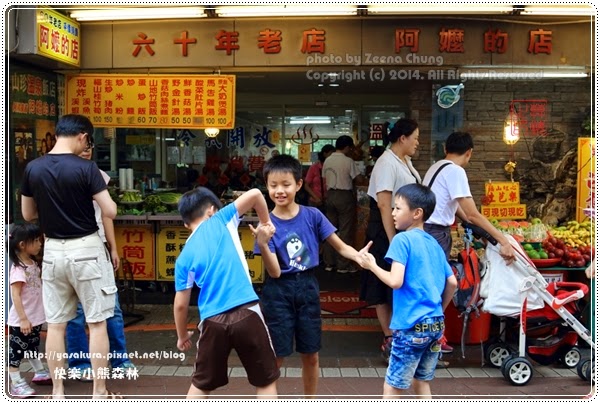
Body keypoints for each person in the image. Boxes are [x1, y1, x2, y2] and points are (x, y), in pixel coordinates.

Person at [252, 154, 372, 398]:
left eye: (286, 184)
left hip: (308, 287)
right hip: (278, 292)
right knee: (275, 357)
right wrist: (263, 244)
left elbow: (340, 246)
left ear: (298, 184)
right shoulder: (266, 225)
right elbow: (274, 272)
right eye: (273, 185)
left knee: (311, 355)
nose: (279, 191)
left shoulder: (313, 215)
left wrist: (357, 256)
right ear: (266, 186)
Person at [20, 114, 120, 399]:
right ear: (82, 136)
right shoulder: (87, 168)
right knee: (97, 323)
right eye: (88, 141)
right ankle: (99, 392)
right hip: (87, 249)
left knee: (56, 326)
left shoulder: (33, 168)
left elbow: (27, 214)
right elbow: (110, 211)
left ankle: (58, 392)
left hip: (53, 251)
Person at [173, 187, 280, 399]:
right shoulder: (220, 219)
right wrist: (266, 223)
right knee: (266, 382)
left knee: (201, 384)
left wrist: (182, 335)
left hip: (212, 321)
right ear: (212, 210)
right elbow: (256, 194)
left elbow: (180, 305)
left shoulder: (183, 258)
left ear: (186, 224)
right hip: (247, 311)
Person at [357, 183, 458, 399]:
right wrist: (438, 309)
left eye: (398, 208)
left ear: (417, 213)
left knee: (392, 386)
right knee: (421, 381)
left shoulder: (402, 239)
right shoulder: (434, 243)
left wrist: (372, 266)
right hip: (435, 325)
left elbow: (395, 281)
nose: (393, 213)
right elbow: (452, 283)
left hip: (411, 325)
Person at [65, 145, 136, 381]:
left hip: (98, 244)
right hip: (70, 246)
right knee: (76, 311)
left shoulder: (99, 175)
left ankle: (120, 359)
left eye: (90, 146)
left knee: (112, 307)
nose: (87, 150)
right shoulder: (58, 174)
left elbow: (107, 214)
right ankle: (79, 363)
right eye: (83, 144)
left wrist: (113, 248)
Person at [361, 118, 422, 362]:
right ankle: (390, 339)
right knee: (383, 285)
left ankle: (400, 335)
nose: (417, 143)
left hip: (402, 231)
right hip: (386, 231)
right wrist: (393, 239)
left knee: (398, 283)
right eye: (415, 138)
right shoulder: (386, 163)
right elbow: (384, 204)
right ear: (402, 138)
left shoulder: (404, 160)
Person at [422, 131, 516, 263]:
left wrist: (477, 228)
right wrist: (504, 242)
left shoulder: (436, 167)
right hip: (435, 233)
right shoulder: (455, 171)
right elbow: (472, 214)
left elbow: (456, 206)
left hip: (423, 228)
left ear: (445, 149)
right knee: (435, 274)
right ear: (469, 152)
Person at [7, 223, 51, 398]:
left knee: (32, 346)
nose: (40, 244)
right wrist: (23, 319)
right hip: (22, 321)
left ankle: (39, 372)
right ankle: (16, 382)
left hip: (34, 318)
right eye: (36, 241)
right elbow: (15, 295)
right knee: (16, 352)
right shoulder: (18, 269)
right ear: (22, 245)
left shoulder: (33, 263)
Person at [322, 135, 362, 273]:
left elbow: (324, 178)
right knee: (345, 231)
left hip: (330, 195)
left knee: (329, 230)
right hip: (344, 196)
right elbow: (359, 179)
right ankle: (342, 265)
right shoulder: (348, 161)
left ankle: (329, 263)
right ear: (347, 147)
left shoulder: (327, 160)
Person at [304, 144, 335, 210]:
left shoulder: (333, 167)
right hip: (315, 201)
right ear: (324, 154)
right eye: (330, 154)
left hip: (329, 201)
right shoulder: (314, 167)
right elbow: (306, 185)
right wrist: (316, 198)